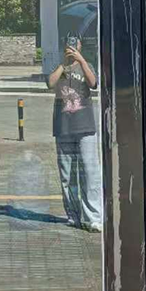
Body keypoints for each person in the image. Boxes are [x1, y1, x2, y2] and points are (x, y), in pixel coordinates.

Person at [47, 34, 102, 233]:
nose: (71, 47)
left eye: (75, 44)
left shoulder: (87, 65)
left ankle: (93, 218)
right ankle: (73, 215)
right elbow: (50, 83)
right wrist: (64, 64)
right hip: (63, 128)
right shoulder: (58, 67)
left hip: (85, 126)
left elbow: (93, 83)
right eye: (68, 44)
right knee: (67, 174)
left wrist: (81, 61)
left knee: (90, 172)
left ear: (80, 46)